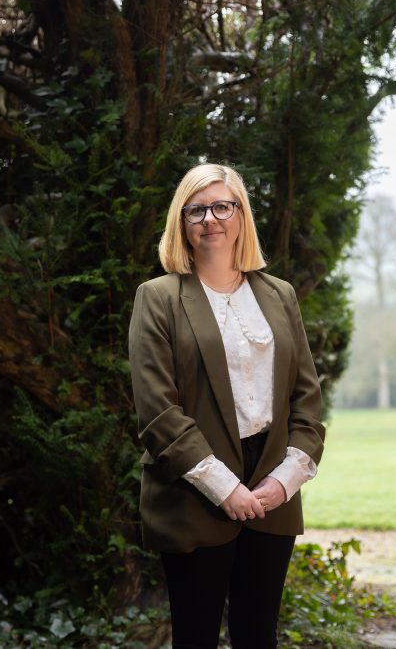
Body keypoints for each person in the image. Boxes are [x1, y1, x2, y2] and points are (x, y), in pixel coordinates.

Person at [128, 163, 325, 649]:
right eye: (196, 210)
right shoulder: (157, 298)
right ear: (182, 223)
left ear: (240, 216)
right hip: (195, 489)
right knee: (195, 638)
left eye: (222, 206)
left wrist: (284, 481)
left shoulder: (279, 295)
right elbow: (158, 411)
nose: (210, 219)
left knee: (258, 637)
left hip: (272, 488)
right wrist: (224, 487)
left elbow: (306, 400)